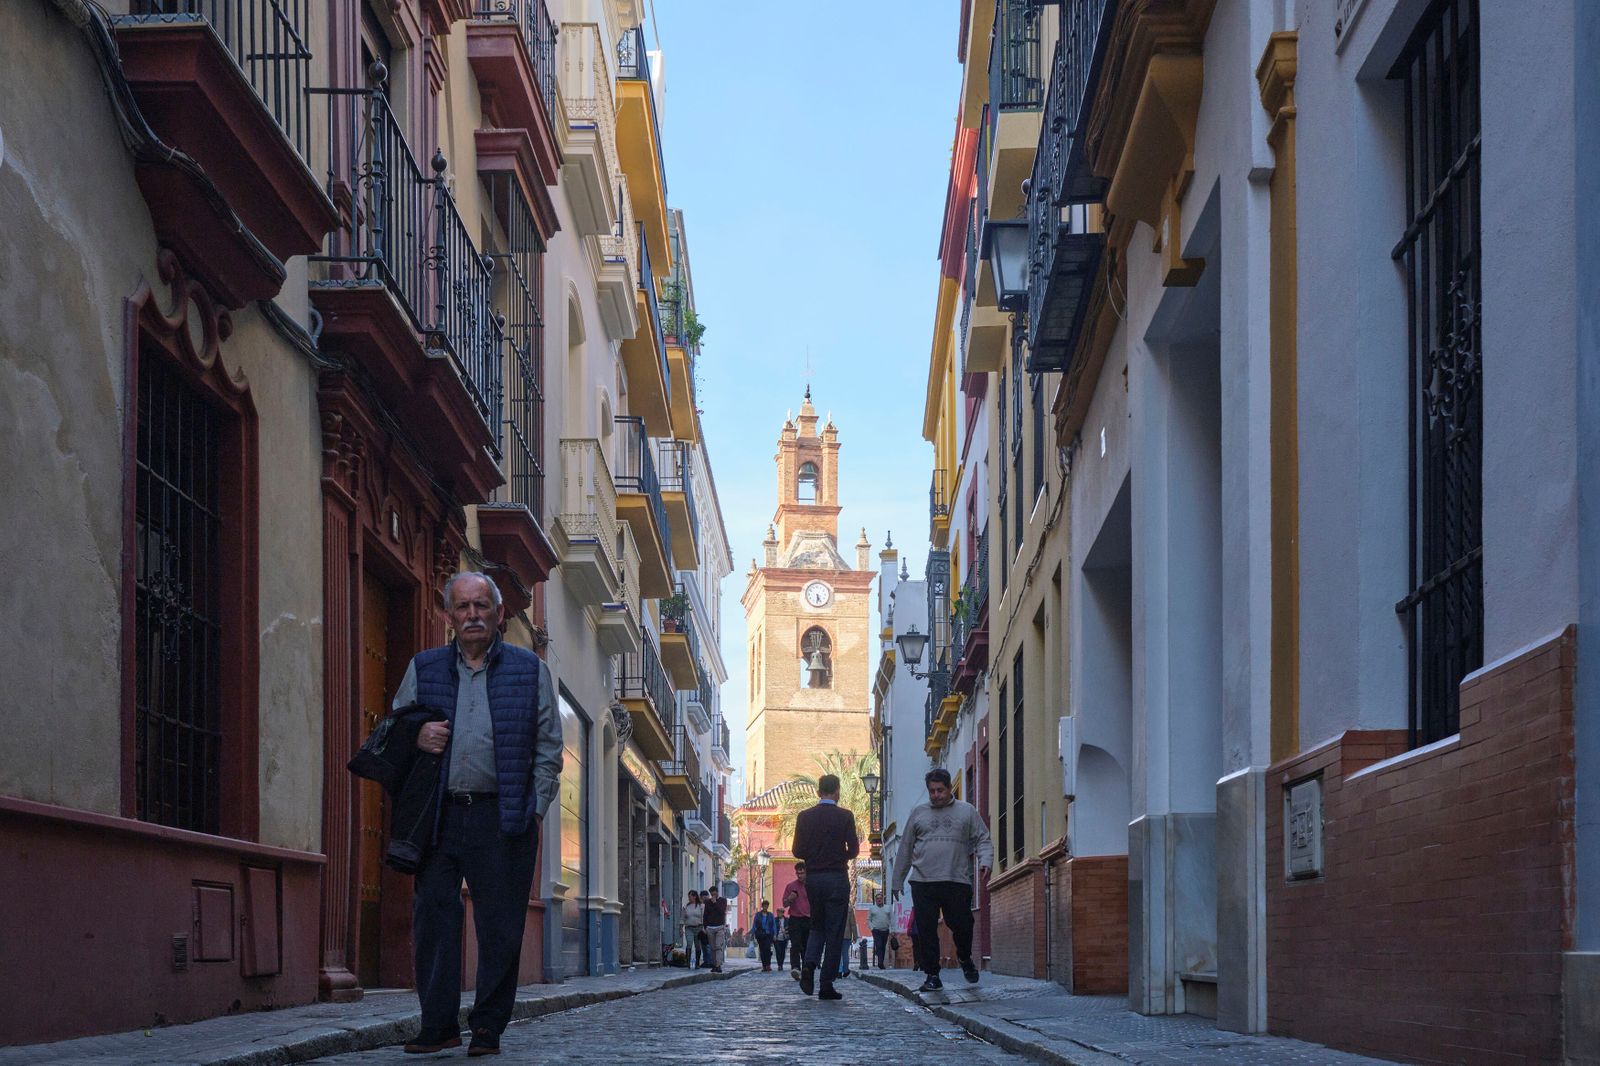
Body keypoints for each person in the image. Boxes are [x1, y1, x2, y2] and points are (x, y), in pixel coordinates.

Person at [396, 572, 564, 1057]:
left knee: (501, 926)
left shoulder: (529, 669)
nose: (472, 615)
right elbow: (396, 727)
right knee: (434, 919)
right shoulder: (423, 667)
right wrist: (416, 736)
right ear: (449, 615)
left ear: (498, 613)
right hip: (439, 817)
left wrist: (536, 805)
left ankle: (488, 1027)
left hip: (503, 815)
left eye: (481, 606)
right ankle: (439, 1026)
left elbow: (549, 745)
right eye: (463, 607)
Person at [892, 767, 993, 993]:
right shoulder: (918, 813)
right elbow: (906, 848)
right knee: (926, 930)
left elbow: (983, 838)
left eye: (940, 790)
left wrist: (986, 860)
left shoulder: (967, 812)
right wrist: (897, 880)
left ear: (949, 789)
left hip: (956, 880)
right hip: (923, 882)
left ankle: (965, 958)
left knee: (963, 924)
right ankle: (932, 975)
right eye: (932, 791)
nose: (936, 795)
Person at [790, 774, 859, 1002]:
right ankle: (826, 983)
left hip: (815, 879)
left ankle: (809, 965)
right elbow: (855, 850)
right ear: (837, 791)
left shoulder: (804, 816)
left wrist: (814, 857)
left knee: (817, 926)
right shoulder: (845, 816)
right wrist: (839, 856)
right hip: (837, 878)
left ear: (818, 792)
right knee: (835, 931)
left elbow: (797, 850)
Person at [782, 863, 811, 980]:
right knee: (795, 944)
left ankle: (805, 969)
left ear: (806, 872)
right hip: (795, 919)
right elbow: (784, 904)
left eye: (802, 873)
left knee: (807, 946)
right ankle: (795, 968)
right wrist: (790, 899)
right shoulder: (791, 886)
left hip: (809, 919)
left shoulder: (812, 886)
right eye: (798, 873)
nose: (799, 875)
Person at [701, 884, 728, 973]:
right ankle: (714, 965)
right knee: (712, 947)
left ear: (717, 893)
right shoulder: (707, 902)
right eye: (712, 894)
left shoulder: (723, 901)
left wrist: (715, 902)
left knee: (718, 946)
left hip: (720, 927)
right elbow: (706, 915)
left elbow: (721, 912)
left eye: (714, 894)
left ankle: (718, 965)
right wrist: (705, 927)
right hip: (710, 927)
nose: (713, 896)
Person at [866, 892, 893, 968]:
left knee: (883, 946)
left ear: (883, 899)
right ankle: (880, 963)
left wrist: (892, 929)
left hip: (885, 930)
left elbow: (892, 919)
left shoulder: (888, 908)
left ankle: (881, 961)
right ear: (875, 900)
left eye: (880, 898)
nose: (879, 900)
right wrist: (872, 928)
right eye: (877, 899)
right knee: (879, 945)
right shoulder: (872, 908)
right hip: (876, 930)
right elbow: (868, 919)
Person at [752, 900, 778, 971]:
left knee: (767, 949)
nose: (765, 907)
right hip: (760, 935)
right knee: (762, 950)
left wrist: (775, 934)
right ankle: (764, 966)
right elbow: (754, 924)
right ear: (762, 906)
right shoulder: (758, 915)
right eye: (764, 905)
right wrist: (753, 933)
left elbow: (774, 925)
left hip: (768, 935)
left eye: (767, 906)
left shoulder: (770, 915)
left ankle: (768, 965)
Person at [683, 890, 706, 969]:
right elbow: (683, 917)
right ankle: (688, 962)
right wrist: (680, 927)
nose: (689, 898)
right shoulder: (687, 906)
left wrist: (704, 927)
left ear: (695, 896)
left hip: (698, 927)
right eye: (688, 896)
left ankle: (697, 963)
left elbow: (703, 917)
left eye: (690, 896)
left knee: (697, 945)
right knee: (689, 943)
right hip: (689, 927)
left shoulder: (701, 906)